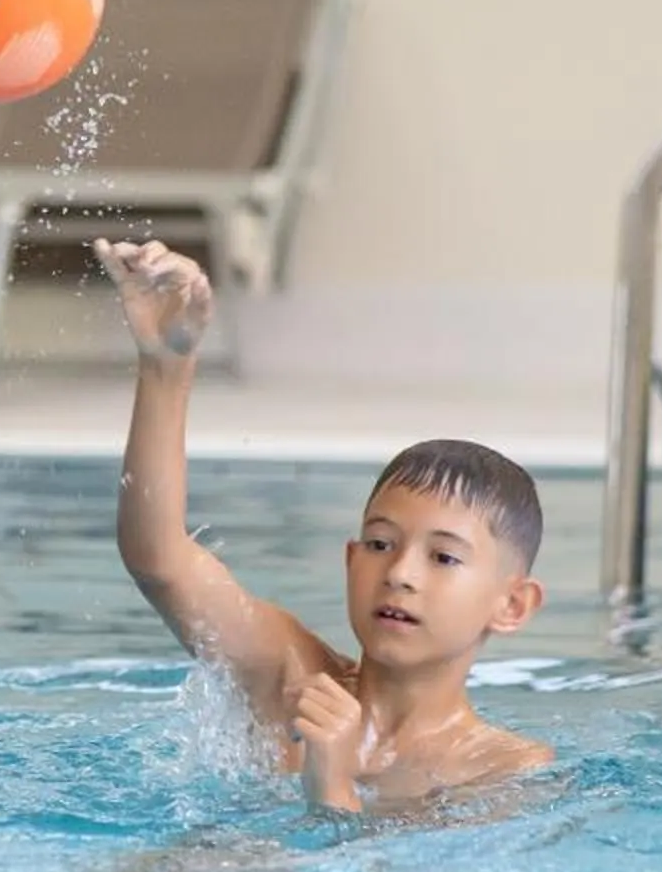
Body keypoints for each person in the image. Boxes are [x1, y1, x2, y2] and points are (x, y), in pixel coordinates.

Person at [98, 239, 552, 814]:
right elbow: (159, 561)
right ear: (350, 560)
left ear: (512, 605)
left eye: (443, 557)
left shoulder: (503, 773)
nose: (400, 575)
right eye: (380, 544)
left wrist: (332, 790)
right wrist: (167, 368)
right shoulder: (286, 672)